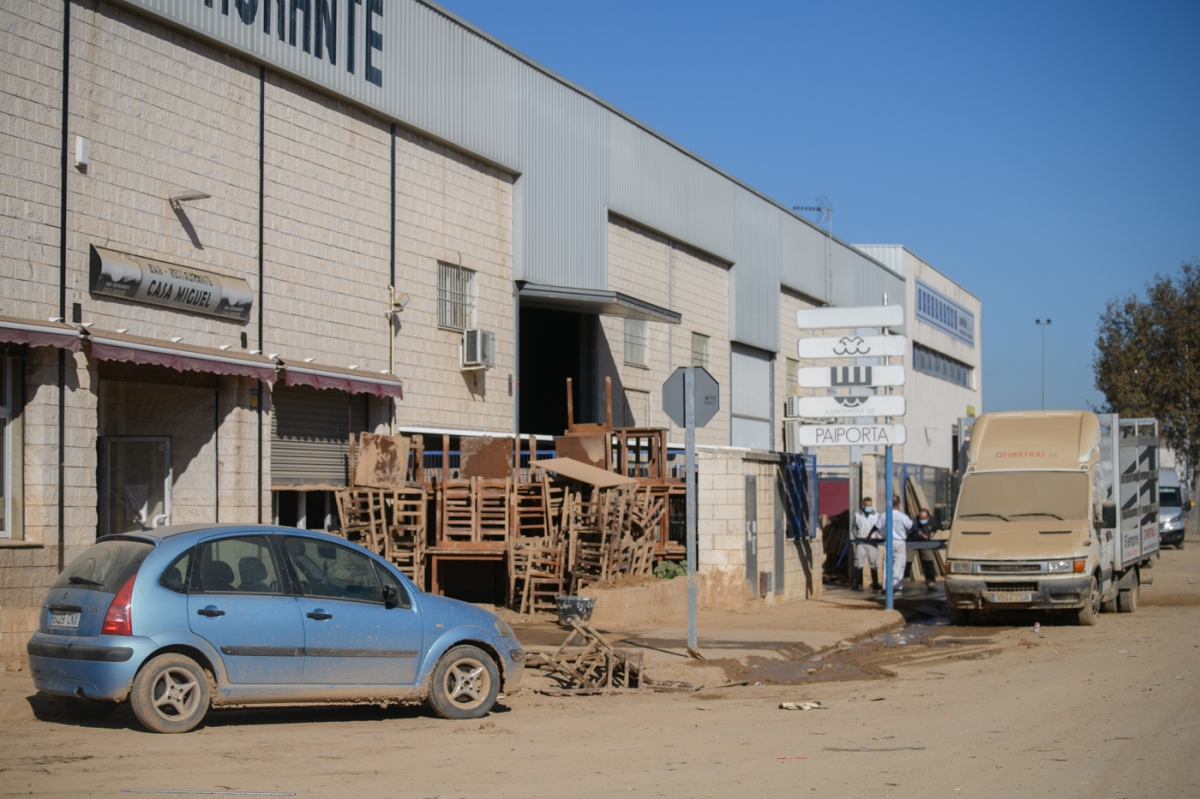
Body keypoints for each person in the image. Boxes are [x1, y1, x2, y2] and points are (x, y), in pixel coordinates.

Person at [853, 497, 883, 591]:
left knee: (873, 562)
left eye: (870, 505)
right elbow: (854, 527)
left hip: (872, 542)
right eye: (867, 506)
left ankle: (875, 583)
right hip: (861, 541)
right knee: (859, 562)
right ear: (863, 505)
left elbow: (880, 527)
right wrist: (855, 534)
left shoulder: (877, 515)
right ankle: (857, 582)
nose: (869, 507)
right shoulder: (857, 515)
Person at [888, 496, 913, 593]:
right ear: (899, 504)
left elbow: (877, 527)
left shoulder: (885, 515)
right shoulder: (903, 516)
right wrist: (920, 533)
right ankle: (896, 586)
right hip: (899, 541)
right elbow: (911, 527)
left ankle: (887, 587)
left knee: (887, 564)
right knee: (899, 564)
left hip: (888, 541)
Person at [910, 508, 939, 590]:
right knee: (907, 559)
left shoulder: (932, 520)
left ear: (928, 517)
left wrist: (932, 533)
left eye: (924, 519)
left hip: (926, 542)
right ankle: (903, 580)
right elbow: (911, 528)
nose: (922, 520)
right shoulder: (914, 520)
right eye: (921, 518)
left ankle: (930, 581)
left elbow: (935, 528)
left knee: (929, 559)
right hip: (914, 541)